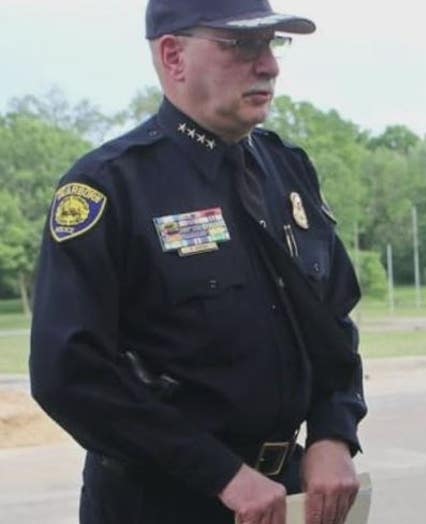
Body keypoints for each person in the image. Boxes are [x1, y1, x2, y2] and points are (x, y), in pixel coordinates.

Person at [29, 1, 366, 523]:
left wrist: (333, 432)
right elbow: (69, 375)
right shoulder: (110, 187)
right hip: (161, 502)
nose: (270, 65)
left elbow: (334, 318)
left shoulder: (286, 168)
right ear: (173, 56)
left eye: (272, 44)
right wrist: (221, 474)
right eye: (241, 45)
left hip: (288, 495)